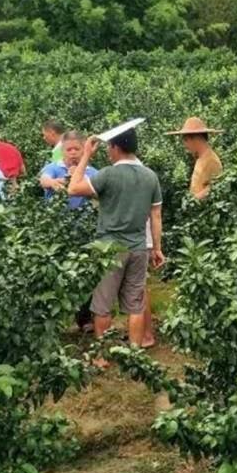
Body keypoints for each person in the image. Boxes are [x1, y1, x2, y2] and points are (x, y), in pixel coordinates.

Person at [68, 127, 164, 351]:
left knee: (102, 305)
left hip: (109, 249)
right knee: (135, 304)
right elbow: (156, 215)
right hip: (139, 247)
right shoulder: (150, 176)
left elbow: (73, 188)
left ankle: (102, 356)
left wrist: (86, 156)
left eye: (109, 147)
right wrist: (157, 248)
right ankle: (134, 353)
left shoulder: (108, 174)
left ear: (115, 147)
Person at [166, 117, 223, 200]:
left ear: (196, 138)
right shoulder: (201, 158)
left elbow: (216, 188)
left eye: (186, 140)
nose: (185, 145)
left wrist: (194, 200)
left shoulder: (211, 160)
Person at [40, 131, 97, 209]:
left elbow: (98, 195)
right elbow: (44, 179)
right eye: (69, 150)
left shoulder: (93, 173)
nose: (73, 152)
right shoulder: (53, 167)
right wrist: (52, 182)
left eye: (76, 149)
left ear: (84, 150)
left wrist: (79, 176)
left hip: (83, 218)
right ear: (62, 151)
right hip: (55, 217)